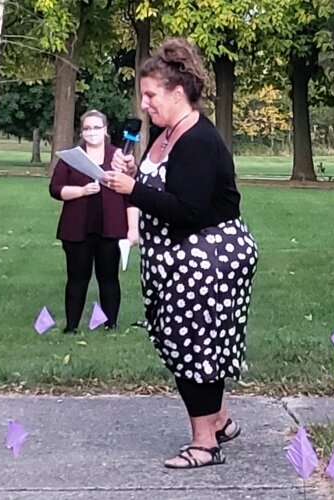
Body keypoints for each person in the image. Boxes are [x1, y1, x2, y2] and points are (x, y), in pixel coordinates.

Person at [105, 38, 258, 469]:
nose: (145, 102)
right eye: (143, 94)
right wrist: (136, 175)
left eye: (151, 94)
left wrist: (133, 190)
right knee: (178, 343)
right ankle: (221, 421)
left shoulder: (198, 141)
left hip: (207, 257)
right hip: (175, 258)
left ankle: (204, 443)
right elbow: (167, 190)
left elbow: (188, 210)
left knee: (196, 347)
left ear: (177, 92)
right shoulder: (164, 132)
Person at [49, 110, 138, 333]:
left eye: (96, 127)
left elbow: (131, 195)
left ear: (105, 130)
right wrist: (81, 191)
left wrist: (133, 229)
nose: (92, 132)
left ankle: (111, 324)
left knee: (108, 277)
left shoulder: (118, 157)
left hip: (111, 228)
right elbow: (56, 189)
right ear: (82, 132)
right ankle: (71, 327)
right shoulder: (72, 158)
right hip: (77, 228)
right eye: (87, 128)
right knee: (77, 278)